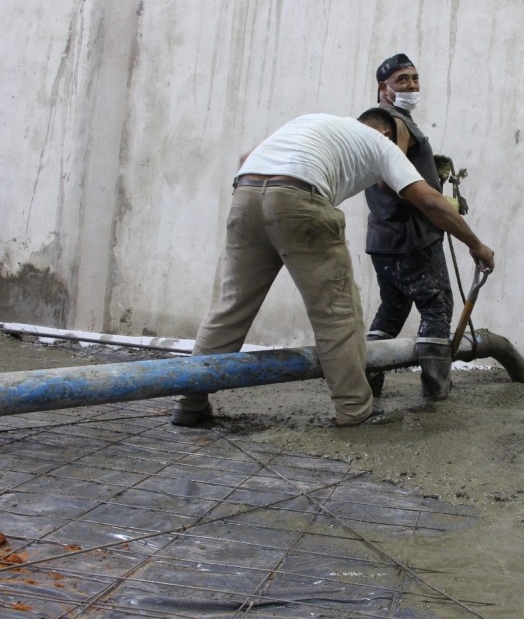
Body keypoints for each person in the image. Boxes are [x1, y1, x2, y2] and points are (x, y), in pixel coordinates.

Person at [171, 108, 495, 428]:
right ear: (385, 132)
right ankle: (355, 409)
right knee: (337, 313)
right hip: (300, 199)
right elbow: (430, 201)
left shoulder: (314, 122)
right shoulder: (381, 144)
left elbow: (246, 157)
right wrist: (475, 244)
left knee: (228, 308)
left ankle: (190, 404)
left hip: (246, 194)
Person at [363, 53, 457, 409]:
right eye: (403, 80)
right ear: (383, 88)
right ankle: (436, 393)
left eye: (415, 78)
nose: (412, 85)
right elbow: (392, 175)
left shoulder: (381, 123)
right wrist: (429, 197)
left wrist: (430, 173)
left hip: (383, 238)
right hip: (413, 237)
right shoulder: (392, 121)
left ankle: (368, 382)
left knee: (391, 309)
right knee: (436, 306)